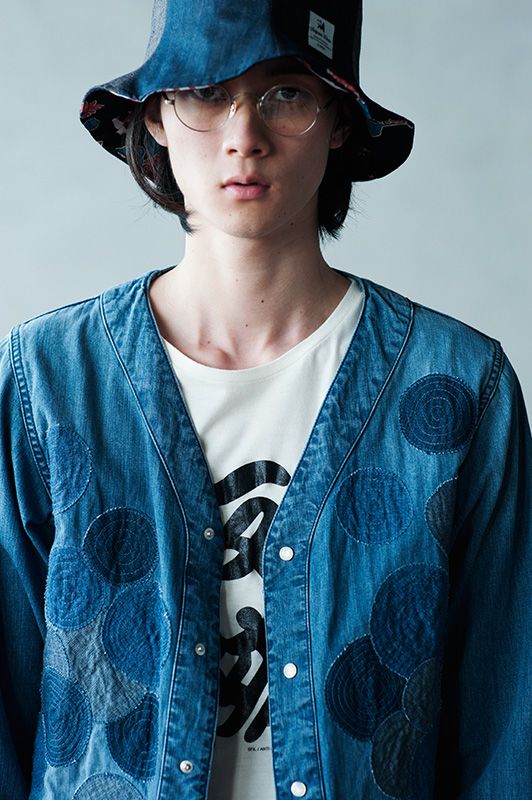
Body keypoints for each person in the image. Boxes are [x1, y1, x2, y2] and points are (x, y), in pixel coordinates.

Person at [0, 1, 530, 798]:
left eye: (287, 93)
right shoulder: (51, 381)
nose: (243, 135)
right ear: (155, 118)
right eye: (205, 93)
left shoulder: (455, 386)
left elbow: (505, 730)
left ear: (340, 120)